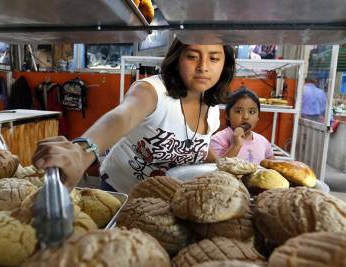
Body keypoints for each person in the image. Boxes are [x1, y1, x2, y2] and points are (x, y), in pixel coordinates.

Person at [32, 39, 235, 193]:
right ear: (177, 59)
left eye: (214, 58)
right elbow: (123, 116)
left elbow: (198, 143)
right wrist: (82, 152)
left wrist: (223, 166)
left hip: (166, 198)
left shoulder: (213, 109)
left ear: (224, 64)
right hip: (121, 192)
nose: (203, 67)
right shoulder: (152, 91)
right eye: (192, 56)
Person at [210, 88, 274, 165]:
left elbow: (273, 167)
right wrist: (236, 145)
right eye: (239, 111)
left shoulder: (263, 142)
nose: (246, 117)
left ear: (258, 116)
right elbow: (217, 169)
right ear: (227, 115)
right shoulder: (218, 140)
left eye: (251, 112)